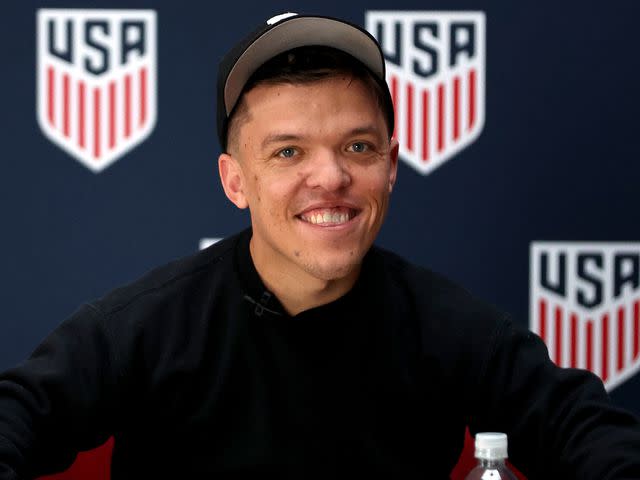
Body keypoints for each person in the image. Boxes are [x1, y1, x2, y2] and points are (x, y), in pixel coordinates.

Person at [1, 12, 640, 479]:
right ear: (235, 181)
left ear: (391, 166)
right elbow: (18, 416)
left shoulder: (452, 328)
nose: (331, 178)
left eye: (357, 147)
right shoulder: (143, 326)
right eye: (288, 152)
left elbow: (588, 436)